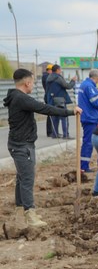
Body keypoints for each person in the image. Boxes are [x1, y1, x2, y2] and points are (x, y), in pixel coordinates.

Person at [4, 69, 82, 227]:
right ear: (27, 83)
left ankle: (20, 211)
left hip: (19, 144)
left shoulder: (15, 97)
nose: (33, 85)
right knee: (27, 179)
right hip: (22, 146)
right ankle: (30, 215)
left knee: (22, 178)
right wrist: (70, 112)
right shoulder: (21, 98)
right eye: (33, 82)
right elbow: (46, 108)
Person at [78, 70, 98, 172]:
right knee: (89, 142)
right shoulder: (89, 86)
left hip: (90, 117)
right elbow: (96, 102)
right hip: (90, 118)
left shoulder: (85, 84)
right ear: (96, 77)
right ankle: (84, 166)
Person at [45, 64, 76, 139]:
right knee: (64, 117)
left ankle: (54, 134)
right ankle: (65, 135)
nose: (61, 71)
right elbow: (67, 86)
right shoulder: (58, 77)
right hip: (60, 100)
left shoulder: (49, 77)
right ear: (57, 70)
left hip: (51, 100)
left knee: (55, 117)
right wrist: (73, 81)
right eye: (60, 69)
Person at [41, 64, 54, 137]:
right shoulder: (45, 76)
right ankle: (49, 131)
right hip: (48, 97)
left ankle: (52, 130)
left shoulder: (48, 76)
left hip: (49, 96)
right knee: (50, 114)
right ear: (49, 70)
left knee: (52, 114)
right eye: (52, 70)